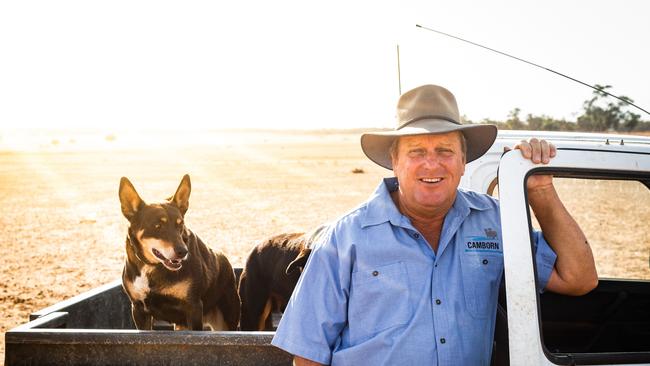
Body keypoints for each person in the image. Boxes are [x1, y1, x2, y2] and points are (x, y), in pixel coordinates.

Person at [271, 84, 598, 366]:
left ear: (462, 160)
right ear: (395, 162)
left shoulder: (495, 222)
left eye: (444, 150)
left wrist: (540, 191)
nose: (432, 164)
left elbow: (578, 279)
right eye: (416, 151)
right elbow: (308, 354)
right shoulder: (345, 238)